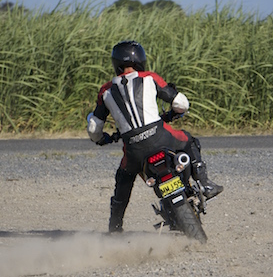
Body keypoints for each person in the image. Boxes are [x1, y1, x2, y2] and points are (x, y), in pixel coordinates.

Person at [87, 40, 223, 233]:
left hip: (133, 149)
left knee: (123, 179)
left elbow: (94, 128)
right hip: (161, 136)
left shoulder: (106, 90)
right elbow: (182, 104)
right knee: (188, 139)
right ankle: (205, 183)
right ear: (141, 60)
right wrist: (174, 112)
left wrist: (101, 139)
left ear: (116, 63)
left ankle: (115, 228)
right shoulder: (149, 78)